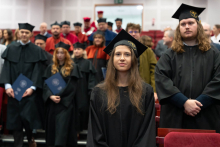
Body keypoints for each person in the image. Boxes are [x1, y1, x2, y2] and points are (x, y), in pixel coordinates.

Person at [155, 3, 220, 132]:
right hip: (176, 114)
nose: (187, 26)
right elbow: (162, 80)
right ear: (179, 29)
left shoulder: (213, 53)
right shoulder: (169, 55)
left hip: (206, 114)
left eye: (191, 23)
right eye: (183, 24)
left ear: (198, 26)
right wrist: (184, 102)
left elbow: (218, 80)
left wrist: (198, 104)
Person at [87, 30, 156, 147]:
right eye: (118, 54)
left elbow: (147, 132)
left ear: (134, 60)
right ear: (112, 59)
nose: (122, 58)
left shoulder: (145, 91)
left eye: (127, 54)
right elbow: (95, 133)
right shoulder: (99, 92)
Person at [0, 23, 47, 147]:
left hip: (29, 91)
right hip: (13, 91)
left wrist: (32, 88)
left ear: (31, 34)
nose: (24, 34)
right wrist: (7, 86)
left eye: (27, 32)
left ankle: (30, 138)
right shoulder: (11, 48)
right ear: (18, 33)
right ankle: (18, 144)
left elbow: (38, 71)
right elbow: (6, 68)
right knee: (15, 120)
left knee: (28, 119)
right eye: (22, 32)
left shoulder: (36, 50)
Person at [43, 41, 82, 147]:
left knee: (63, 131)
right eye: (58, 53)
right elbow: (45, 85)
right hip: (52, 104)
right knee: (52, 131)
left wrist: (59, 96)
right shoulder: (50, 67)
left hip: (66, 104)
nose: (60, 55)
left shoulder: (73, 67)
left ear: (66, 54)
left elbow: (72, 86)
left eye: (62, 53)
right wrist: (50, 96)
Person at [126, 23, 158, 100]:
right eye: (131, 32)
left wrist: (154, 90)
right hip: (126, 87)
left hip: (143, 87)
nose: (133, 34)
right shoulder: (121, 50)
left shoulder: (148, 51)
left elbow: (154, 71)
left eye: (136, 32)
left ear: (140, 34)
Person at [72, 42, 96, 131]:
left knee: (82, 108)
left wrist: (91, 89)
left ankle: (82, 128)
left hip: (83, 90)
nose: (76, 51)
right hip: (71, 90)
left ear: (83, 51)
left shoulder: (87, 63)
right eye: (75, 49)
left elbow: (91, 78)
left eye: (78, 49)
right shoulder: (70, 62)